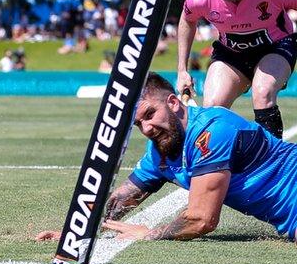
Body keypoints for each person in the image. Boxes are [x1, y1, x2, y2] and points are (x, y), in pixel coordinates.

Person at [37, 72, 297, 242]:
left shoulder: (212, 131)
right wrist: (76, 232)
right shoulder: (160, 151)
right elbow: (119, 202)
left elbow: (202, 219)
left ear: (173, 103)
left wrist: (150, 235)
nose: (147, 128)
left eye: (150, 114)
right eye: (139, 124)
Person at [177, 0, 297, 139]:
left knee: (262, 92)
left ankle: (272, 159)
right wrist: (182, 70)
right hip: (231, 53)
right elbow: (187, 20)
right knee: (212, 108)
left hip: (276, 46)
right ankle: (222, 159)